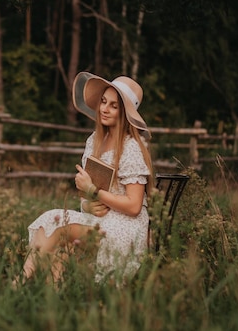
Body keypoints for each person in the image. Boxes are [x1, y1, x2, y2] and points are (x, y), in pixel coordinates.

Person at [15, 72, 154, 286]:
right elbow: (88, 195)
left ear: (124, 113)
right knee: (53, 224)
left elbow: (134, 206)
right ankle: (53, 300)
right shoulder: (95, 141)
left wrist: (94, 192)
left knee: (56, 222)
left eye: (114, 106)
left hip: (125, 228)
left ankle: (18, 283)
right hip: (101, 220)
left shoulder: (131, 147)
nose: (105, 109)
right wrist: (88, 205)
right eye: (103, 102)